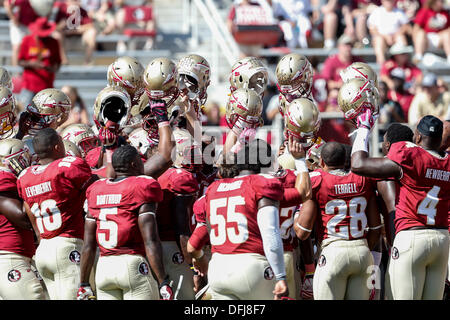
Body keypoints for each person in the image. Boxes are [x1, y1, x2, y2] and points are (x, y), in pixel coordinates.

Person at [351, 113, 450, 300]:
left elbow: (358, 164)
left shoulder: (410, 154)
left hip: (412, 236)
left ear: (418, 136)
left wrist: (364, 128)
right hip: (442, 239)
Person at [187, 139, 290, 300]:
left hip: (218, 268)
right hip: (251, 267)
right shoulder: (261, 183)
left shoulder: (214, 188)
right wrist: (281, 276)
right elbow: (270, 233)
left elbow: (208, 231)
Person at [78, 144, 173, 300]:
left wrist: (83, 283)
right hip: (131, 264)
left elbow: (88, 245)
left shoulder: (96, 189)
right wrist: (163, 281)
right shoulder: (141, 186)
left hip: (104, 268)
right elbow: (150, 241)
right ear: (135, 164)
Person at [294, 142, 381, 299]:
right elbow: (375, 227)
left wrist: (297, 214)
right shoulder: (363, 179)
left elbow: (302, 231)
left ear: (321, 162)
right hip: (362, 252)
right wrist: (363, 246)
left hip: (333, 252)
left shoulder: (318, 180)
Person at [16, 128, 95, 300]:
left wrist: (38, 233)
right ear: (58, 147)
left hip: (44, 248)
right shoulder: (68, 166)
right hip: (68, 245)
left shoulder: (25, 175)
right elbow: (95, 186)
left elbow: (27, 206)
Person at [154, 129, 201, 300]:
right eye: (189, 150)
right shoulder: (180, 178)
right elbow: (182, 227)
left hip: (153, 249)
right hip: (174, 249)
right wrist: (191, 266)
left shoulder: (155, 173)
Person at [0, 138, 45, 300]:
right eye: (24, 157)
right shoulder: (3, 179)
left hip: (16, 255)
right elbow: (23, 218)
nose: (29, 160)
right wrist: (29, 185)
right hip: (9, 257)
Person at [17, 17, 62, 108]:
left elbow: (58, 62)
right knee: (25, 113)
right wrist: (32, 64)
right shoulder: (27, 40)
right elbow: (20, 61)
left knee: (44, 116)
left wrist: (52, 68)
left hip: (47, 86)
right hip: (29, 84)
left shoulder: (54, 42)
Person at [53, 0, 97, 65]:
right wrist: (60, 26)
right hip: (65, 41)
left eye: (78, 1)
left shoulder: (82, 10)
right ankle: (63, 60)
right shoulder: (61, 10)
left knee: (92, 32)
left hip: (80, 39)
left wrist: (77, 30)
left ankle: (87, 62)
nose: (76, 3)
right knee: (57, 34)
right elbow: (52, 27)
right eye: (74, 1)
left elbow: (90, 25)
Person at [367, 0, 410, 64]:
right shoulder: (376, 12)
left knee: (401, 38)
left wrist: (396, 34)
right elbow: (372, 30)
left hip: (395, 37)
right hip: (381, 37)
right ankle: (382, 65)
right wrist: (385, 37)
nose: (389, 2)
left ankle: (403, 65)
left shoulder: (399, 12)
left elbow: (406, 26)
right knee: (379, 40)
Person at [3, 0, 40, 66]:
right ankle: (16, 73)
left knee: (33, 48)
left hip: (34, 24)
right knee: (17, 47)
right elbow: (7, 4)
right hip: (19, 25)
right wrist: (13, 18)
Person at [412, 0, 450, 64]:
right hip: (426, 39)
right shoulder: (425, 11)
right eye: (441, 1)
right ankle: (418, 56)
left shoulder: (445, 13)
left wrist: (445, 32)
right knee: (420, 33)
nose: (442, 3)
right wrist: (415, 41)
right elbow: (416, 28)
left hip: (440, 39)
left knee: (446, 34)